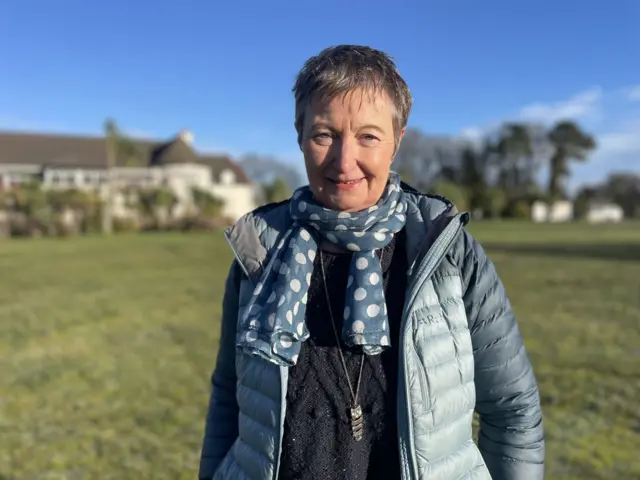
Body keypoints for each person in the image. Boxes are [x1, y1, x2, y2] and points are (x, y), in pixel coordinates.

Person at [198, 45, 545, 480]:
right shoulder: (259, 255)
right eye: (324, 134)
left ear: (397, 141)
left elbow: (512, 409)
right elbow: (229, 399)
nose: (345, 163)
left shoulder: (448, 253)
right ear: (300, 134)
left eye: (368, 136)